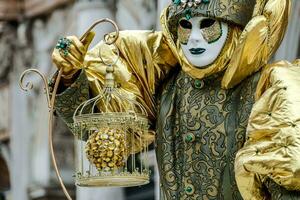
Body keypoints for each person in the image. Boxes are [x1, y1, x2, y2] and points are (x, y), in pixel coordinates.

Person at [51, 0, 300, 199]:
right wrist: (72, 75)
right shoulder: (163, 83)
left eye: (208, 25)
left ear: (237, 27)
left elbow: (287, 180)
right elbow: (100, 123)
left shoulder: (271, 87)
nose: (193, 38)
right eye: (184, 25)